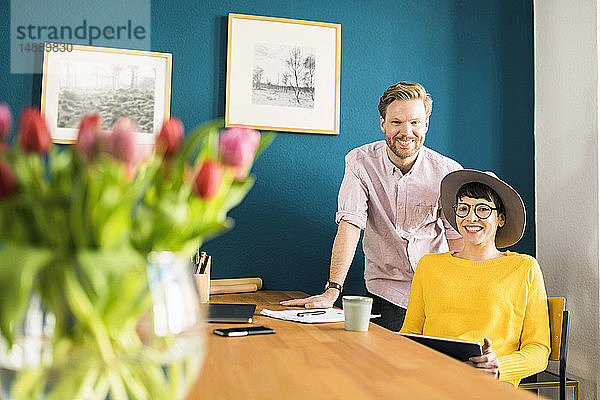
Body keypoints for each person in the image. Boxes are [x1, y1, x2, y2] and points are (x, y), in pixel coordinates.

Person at [281, 81, 463, 331]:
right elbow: (350, 225)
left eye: (414, 122)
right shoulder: (359, 162)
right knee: (386, 363)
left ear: (426, 125)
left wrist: (468, 297)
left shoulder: (448, 172)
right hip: (387, 291)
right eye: (397, 122)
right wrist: (332, 290)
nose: (406, 131)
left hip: (440, 290)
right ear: (383, 124)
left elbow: (458, 240)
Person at [400, 169, 550, 386]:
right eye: (463, 208)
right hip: (434, 379)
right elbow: (410, 334)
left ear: (500, 218)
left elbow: (539, 350)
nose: (471, 217)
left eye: (482, 209)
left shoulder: (524, 268)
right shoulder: (429, 266)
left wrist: (498, 366)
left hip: (492, 386)